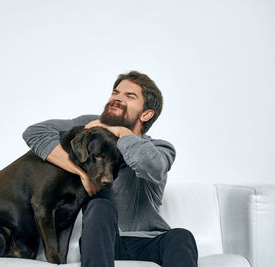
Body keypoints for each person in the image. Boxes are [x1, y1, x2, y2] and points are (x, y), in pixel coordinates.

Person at [22, 71, 198, 267]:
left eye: (129, 96)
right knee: (99, 207)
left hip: (150, 242)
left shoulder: (160, 148)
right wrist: (80, 173)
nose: (117, 98)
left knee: (182, 236)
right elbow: (35, 132)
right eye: (116, 93)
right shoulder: (91, 129)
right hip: (104, 241)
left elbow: (151, 165)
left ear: (146, 114)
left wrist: (121, 132)